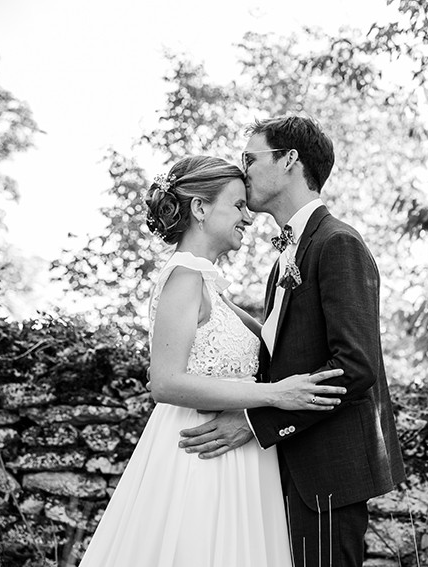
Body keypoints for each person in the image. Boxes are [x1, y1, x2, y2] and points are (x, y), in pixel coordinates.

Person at [79, 155, 346, 567]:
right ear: (200, 209)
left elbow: (276, 341)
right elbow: (165, 382)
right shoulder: (183, 277)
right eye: (238, 206)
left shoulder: (210, 286)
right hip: (197, 456)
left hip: (237, 453)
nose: (249, 218)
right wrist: (274, 395)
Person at [178, 115, 406, 566]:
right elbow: (275, 352)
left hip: (327, 474)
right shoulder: (287, 254)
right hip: (281, 469)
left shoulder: (338, 243)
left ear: (289, 160)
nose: (242, 172)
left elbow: (355, 368)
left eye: (250, 158)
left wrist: (254, 422)